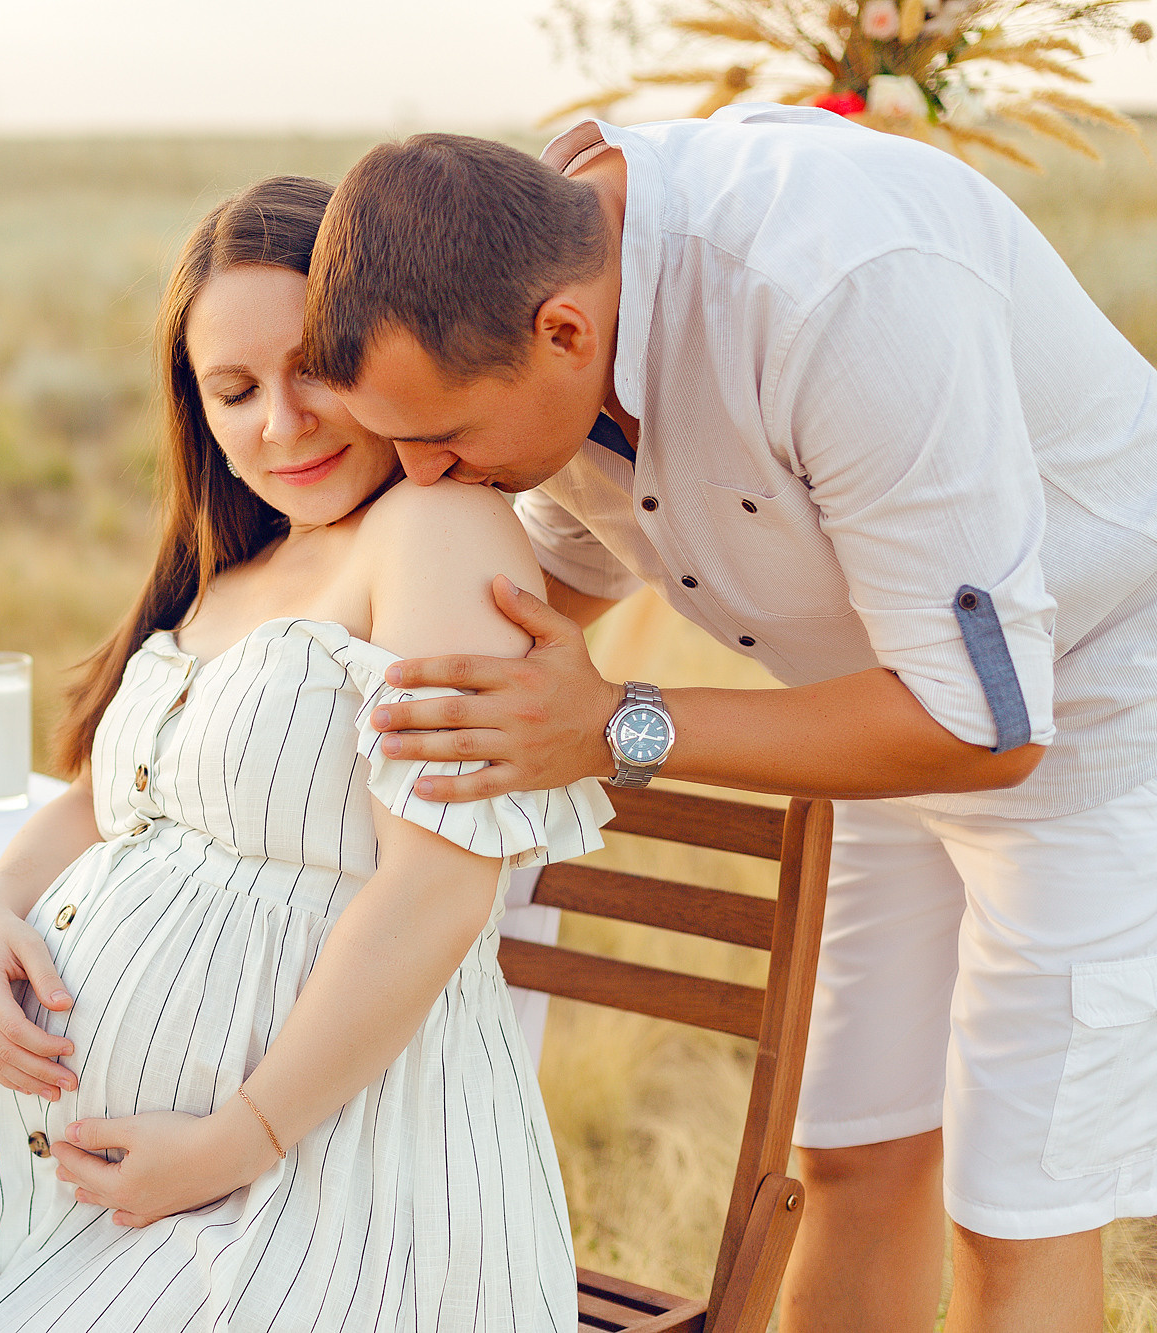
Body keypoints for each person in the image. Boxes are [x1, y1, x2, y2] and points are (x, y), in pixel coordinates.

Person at [300, 110, 1157, 1333]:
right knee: (849, 1153)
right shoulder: (530, 276)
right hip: (865, 709)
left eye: (437, 443)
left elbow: (987, 726)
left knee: (1013, 1210)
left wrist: (613, 727)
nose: (425, 480)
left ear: (564, 332)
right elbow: (556, 578)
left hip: (1094, 704)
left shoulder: (840, 291)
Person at [0, 175, 613, 1333]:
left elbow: (438, 888)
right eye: (233, 390)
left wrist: (240, 1138)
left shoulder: (435, 533)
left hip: (319, 1177)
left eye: (311, 372)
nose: (278, 423)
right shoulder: (229, 574)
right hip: (56, 1181)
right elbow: (103, 802)